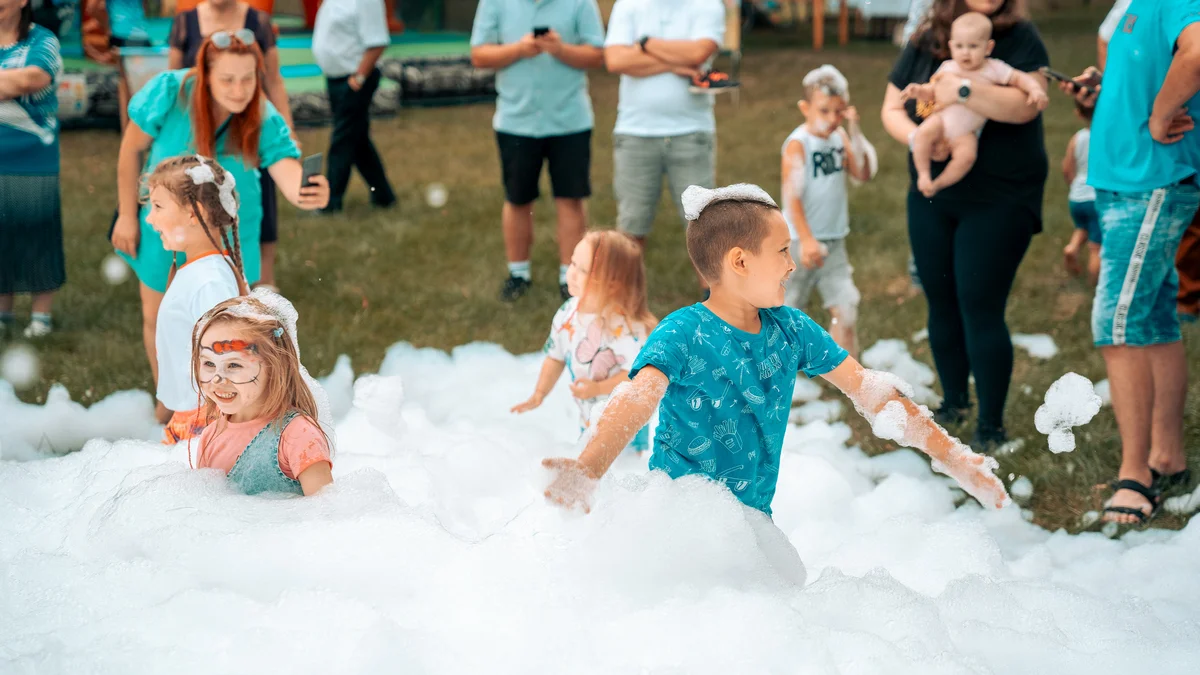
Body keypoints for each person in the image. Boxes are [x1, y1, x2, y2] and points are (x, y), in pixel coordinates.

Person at [541, 184, 1010, 522]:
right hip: (679, 520)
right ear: (740, 262)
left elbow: (871, 391)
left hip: (751, 523)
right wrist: (590, 468)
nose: (792, 263)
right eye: (782, 251)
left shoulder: (791, 329)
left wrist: (953, 456)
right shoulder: (682, 332)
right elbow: (636, 398)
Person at [111, 33, 330, 399]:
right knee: (159, 316)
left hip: (229, 237)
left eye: (248, 79)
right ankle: (170, 402)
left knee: (229, 331)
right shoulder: (170, 91)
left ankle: (224, 405)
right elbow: (130, 151)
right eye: (227, 79)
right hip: (164, 226)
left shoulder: (260, 112)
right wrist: (127, 215)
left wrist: (305, 193)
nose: (239, 89)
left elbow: (285, 167)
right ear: (205, 74)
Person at [881, 0, 1049, 450]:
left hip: (1001, 194)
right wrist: (920, 136)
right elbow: (893, 106)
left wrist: (959, 91)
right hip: (935, 192)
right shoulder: (928, 34)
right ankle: (954, 402)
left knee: (979, 302)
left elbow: (1023, 107)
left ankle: (991, 425)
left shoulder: (1019, 37)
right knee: (940, 297)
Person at [1060, 0, 1200, 529]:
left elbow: (1198, 51)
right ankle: (1167, 457)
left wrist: (1162, 113)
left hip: (1149, 180)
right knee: (1154, 317)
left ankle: (1135, 476)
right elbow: (1153, 65)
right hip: (1127, 180)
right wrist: (1109, 89)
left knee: (1117, 324)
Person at [469, 0, 606, 302]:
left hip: (570, 120)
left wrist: (560, 49)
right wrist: (519, 49)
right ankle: (518, 275)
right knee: (517, 199)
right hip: (516, 121)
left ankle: (569, 278)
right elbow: (479, 54)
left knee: (570, 199)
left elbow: (597, 54)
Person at [168, 0, 298, 291]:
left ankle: (263, 279)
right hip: (198, 131)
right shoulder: (185, 22)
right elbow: (174, 80)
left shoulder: (258, 22)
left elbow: (274, 81)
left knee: (258, 197)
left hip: (249, 127)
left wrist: (286, 131)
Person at [512, 231, 656, 453]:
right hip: (589, 421)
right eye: (572, 263)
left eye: (582, 270)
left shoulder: (623, 326)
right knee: (590, 467)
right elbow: (555, 357)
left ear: (611, 284)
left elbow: (634, 376)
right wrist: (539, 393)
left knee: (621, 474)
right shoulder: (567, 313)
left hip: (625, 427)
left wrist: (597, 388)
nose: (571, 273)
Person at [603, 0, 727, 252]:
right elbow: (615, 60)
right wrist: (675, 63)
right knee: (631, 228)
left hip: (691, 132)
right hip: (635, 131)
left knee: (705, 228)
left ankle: (710, 293)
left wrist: (646, 44)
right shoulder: (627, 5)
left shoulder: (708, 4)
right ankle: (627, 292)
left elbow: (697, 54)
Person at [145, 155, 248, 442]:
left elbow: (230, 357)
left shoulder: (209, 282)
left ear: (194, 213)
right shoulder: (199, 270)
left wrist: (214, 427)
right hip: (193, 417)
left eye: (158, 207)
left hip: (206, 422)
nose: (150, 219)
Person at [192, 294, 334, 496]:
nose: (217, 379)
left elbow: (330, 516)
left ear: (275, 367)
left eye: (234, 365)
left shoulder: (298, 435)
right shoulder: (210, 436)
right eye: (208, 363)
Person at [781, 65, 875, 359]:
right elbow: (792, 198)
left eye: (839, 112)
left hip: (834, 239)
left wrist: (855, 130)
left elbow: (862, 173)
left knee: (844, 306)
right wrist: (807, 240)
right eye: (824, 111)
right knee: (788, 308)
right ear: (805, 108)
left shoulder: (839, 137)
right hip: (799, 241)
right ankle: (778, 373)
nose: (833, 119)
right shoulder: (799, 144)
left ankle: (847, 379)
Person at [901, 12, 1047, 198]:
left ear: (988, 47)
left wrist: (1035, 89)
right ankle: (923, 175)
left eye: (973, 46)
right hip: (942, 120)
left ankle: (939, 183)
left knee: (967, 157)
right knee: (922, 135)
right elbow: (932, 90)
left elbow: (1019, 78)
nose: (965, 52)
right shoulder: (949, 67)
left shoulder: (994, 68)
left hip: (967, 132)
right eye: (960, 46)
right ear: (951, 46)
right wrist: (918, 91)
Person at [0, 0, 64, 339]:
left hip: (33, 157)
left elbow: (33, 78)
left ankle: (41, 316)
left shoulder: (44, 40)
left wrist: (14, 83)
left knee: (37, 234)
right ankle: (3, 312)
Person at [311, 0, 396, 214]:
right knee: (357, 140)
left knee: (343, 139)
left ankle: (330, 202)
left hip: (354, 79)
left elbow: (377, 41)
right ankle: (383, 195)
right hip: (336, 79)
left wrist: (358, 78)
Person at [1062, 102, 1100, 286]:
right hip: (1096, 198)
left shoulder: (1077, 138)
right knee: (1096, 246)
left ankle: (1072, 248)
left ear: (1078, 113)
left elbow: (1067, 168)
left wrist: (1073, 187)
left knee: (1082, 227)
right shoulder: (1106, 138)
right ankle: (1095, 283)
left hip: (1077, 196)